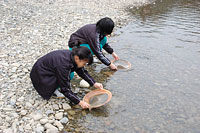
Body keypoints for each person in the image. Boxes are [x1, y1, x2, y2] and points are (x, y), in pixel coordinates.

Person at [30, 47, 103, 109]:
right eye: (84, 63)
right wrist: (79, 102)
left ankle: (56, 85)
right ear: (77, 58)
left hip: (45, 69)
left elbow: (82, 71)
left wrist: (94, 83)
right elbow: (65, 89)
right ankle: (53, 91)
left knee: (69, 75)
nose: (84, 65)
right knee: (64, 81)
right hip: (41, 76)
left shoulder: (73, 56)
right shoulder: (64, 65)